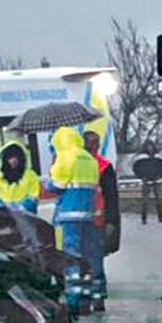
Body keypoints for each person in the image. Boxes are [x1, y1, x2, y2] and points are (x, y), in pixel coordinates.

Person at [49, 126, 100, 313]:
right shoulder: (89, 158)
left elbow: (57, 185)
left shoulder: (65, 157)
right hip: (88, 215)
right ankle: (87, 300)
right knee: (86, 259)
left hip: (69, 216)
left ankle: (73, 301)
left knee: (71, 259)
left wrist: (50, 177)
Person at [83, 131, 121, 310]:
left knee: (94, 262)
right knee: (87, 262)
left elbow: (111, 196)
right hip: (86, 221)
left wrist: (111, 221)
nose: (93, 146)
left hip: (96, 221)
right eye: (91, 143)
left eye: (94, 143)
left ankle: (96, 299)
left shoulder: (104, 167)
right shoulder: (85, 165)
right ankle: (89, 298)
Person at [0, 141, 41, 213]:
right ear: (5, 159)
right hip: (6, 217)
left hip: (27, 216)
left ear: (21, 158)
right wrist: (0, 206)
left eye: (16, 156)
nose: (13, 160)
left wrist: (22, 208)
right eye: (10, 157)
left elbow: (33, 195)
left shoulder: (31, 175)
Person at [133, 142, 162, 224]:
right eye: (148, 146)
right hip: (146, 181)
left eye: (151, 146)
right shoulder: (140, 158)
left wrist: (160, 176)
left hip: (157, 181)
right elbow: (136, 168)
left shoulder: (159, 157)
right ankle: (144, 218)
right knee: (145, 201)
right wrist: (141, 177)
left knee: (159, 200)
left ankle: (160, 217)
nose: (150, 148)